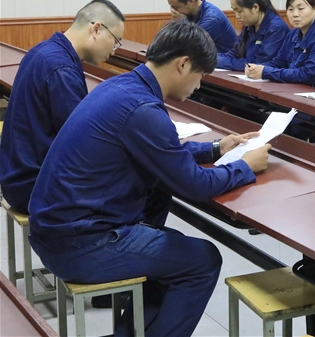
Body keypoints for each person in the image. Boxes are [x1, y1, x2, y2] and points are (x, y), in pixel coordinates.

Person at [28, 21, 271, 337]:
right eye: (200, 76)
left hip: (56, 232)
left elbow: (163, 151)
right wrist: (245, 166)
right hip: (77, 245)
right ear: (183, 64)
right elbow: (195, 185)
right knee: (202, 260)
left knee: (167, 244)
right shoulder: (143, 108)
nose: (198, 86)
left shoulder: (122, 87)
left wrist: (215, 148)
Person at [0, 0, 125, 214]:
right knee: (145, 186)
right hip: (35, 188)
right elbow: (83, 141)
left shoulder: (44, 50)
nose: (114, 51)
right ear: (96, 29)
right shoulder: (61, 68)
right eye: (115, 41)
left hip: (17, 177)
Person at [245, 0, 315, 84]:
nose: (295, 14)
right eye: (290, 9)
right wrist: (256, 68)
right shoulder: (293, 33)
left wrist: (266, 72)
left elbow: (308, 75)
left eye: (301, 8)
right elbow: (279, 62)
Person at [216, 0, 289, 71]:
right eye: (234, 11)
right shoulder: (249, 25)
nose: (237, 16)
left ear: (255, 7)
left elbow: (258, 63)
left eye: (239, 11)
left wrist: (218, 61)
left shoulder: (276, 28)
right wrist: (211, 59)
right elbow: (235, 53)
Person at [163, 0, 236, 54]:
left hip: (223, 60)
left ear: (191, 1)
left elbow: (190, 45)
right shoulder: (188, 14)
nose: (173, 10)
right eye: (171, 6)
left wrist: (183, 21)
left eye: (176, 7)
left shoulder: (212, 19)